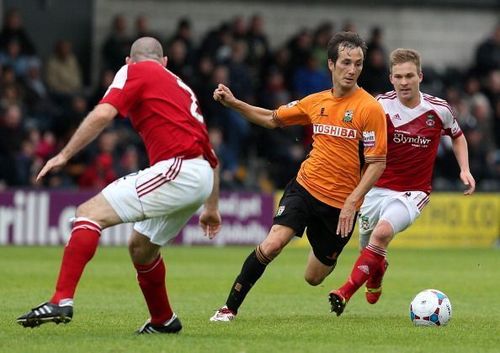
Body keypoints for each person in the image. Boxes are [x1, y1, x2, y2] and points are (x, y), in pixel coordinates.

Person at [16, 37, 222, 334]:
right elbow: (211, 153)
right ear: (165, 62)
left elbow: (102, 114)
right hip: (200, 174)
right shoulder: (181, 86)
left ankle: (61, 299)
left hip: (179, 168)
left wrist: (63, 154)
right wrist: (211, 206)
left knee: (88, 213)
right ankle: (163, 320)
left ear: (129, 60)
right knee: (141, 247)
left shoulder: (133, 71)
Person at [209, 31, 387, 322]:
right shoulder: (315, 102)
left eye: (358, 63)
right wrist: (234, 103)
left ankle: (367, 264)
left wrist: (353, 201)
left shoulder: (369, 109)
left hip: (340, 204)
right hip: (304, 188)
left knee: (314, 277)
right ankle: (228, 308)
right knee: (273, 243)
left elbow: (377, 163)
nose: (352, 69)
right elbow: (271, 118)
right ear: (331, 64)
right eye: (345, 62)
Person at [329, 48, 476, 316]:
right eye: (399, 76)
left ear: (420, 76)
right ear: (391, 78)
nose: (404, 82)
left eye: (409, 76)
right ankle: (378, 271)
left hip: (413, 191)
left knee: (382, 234)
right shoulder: (379, 106)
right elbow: (355, 139)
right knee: (370, 248)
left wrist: (464, 169)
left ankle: (344, 292)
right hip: (374, 189)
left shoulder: (438, 109)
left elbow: (457, 135)